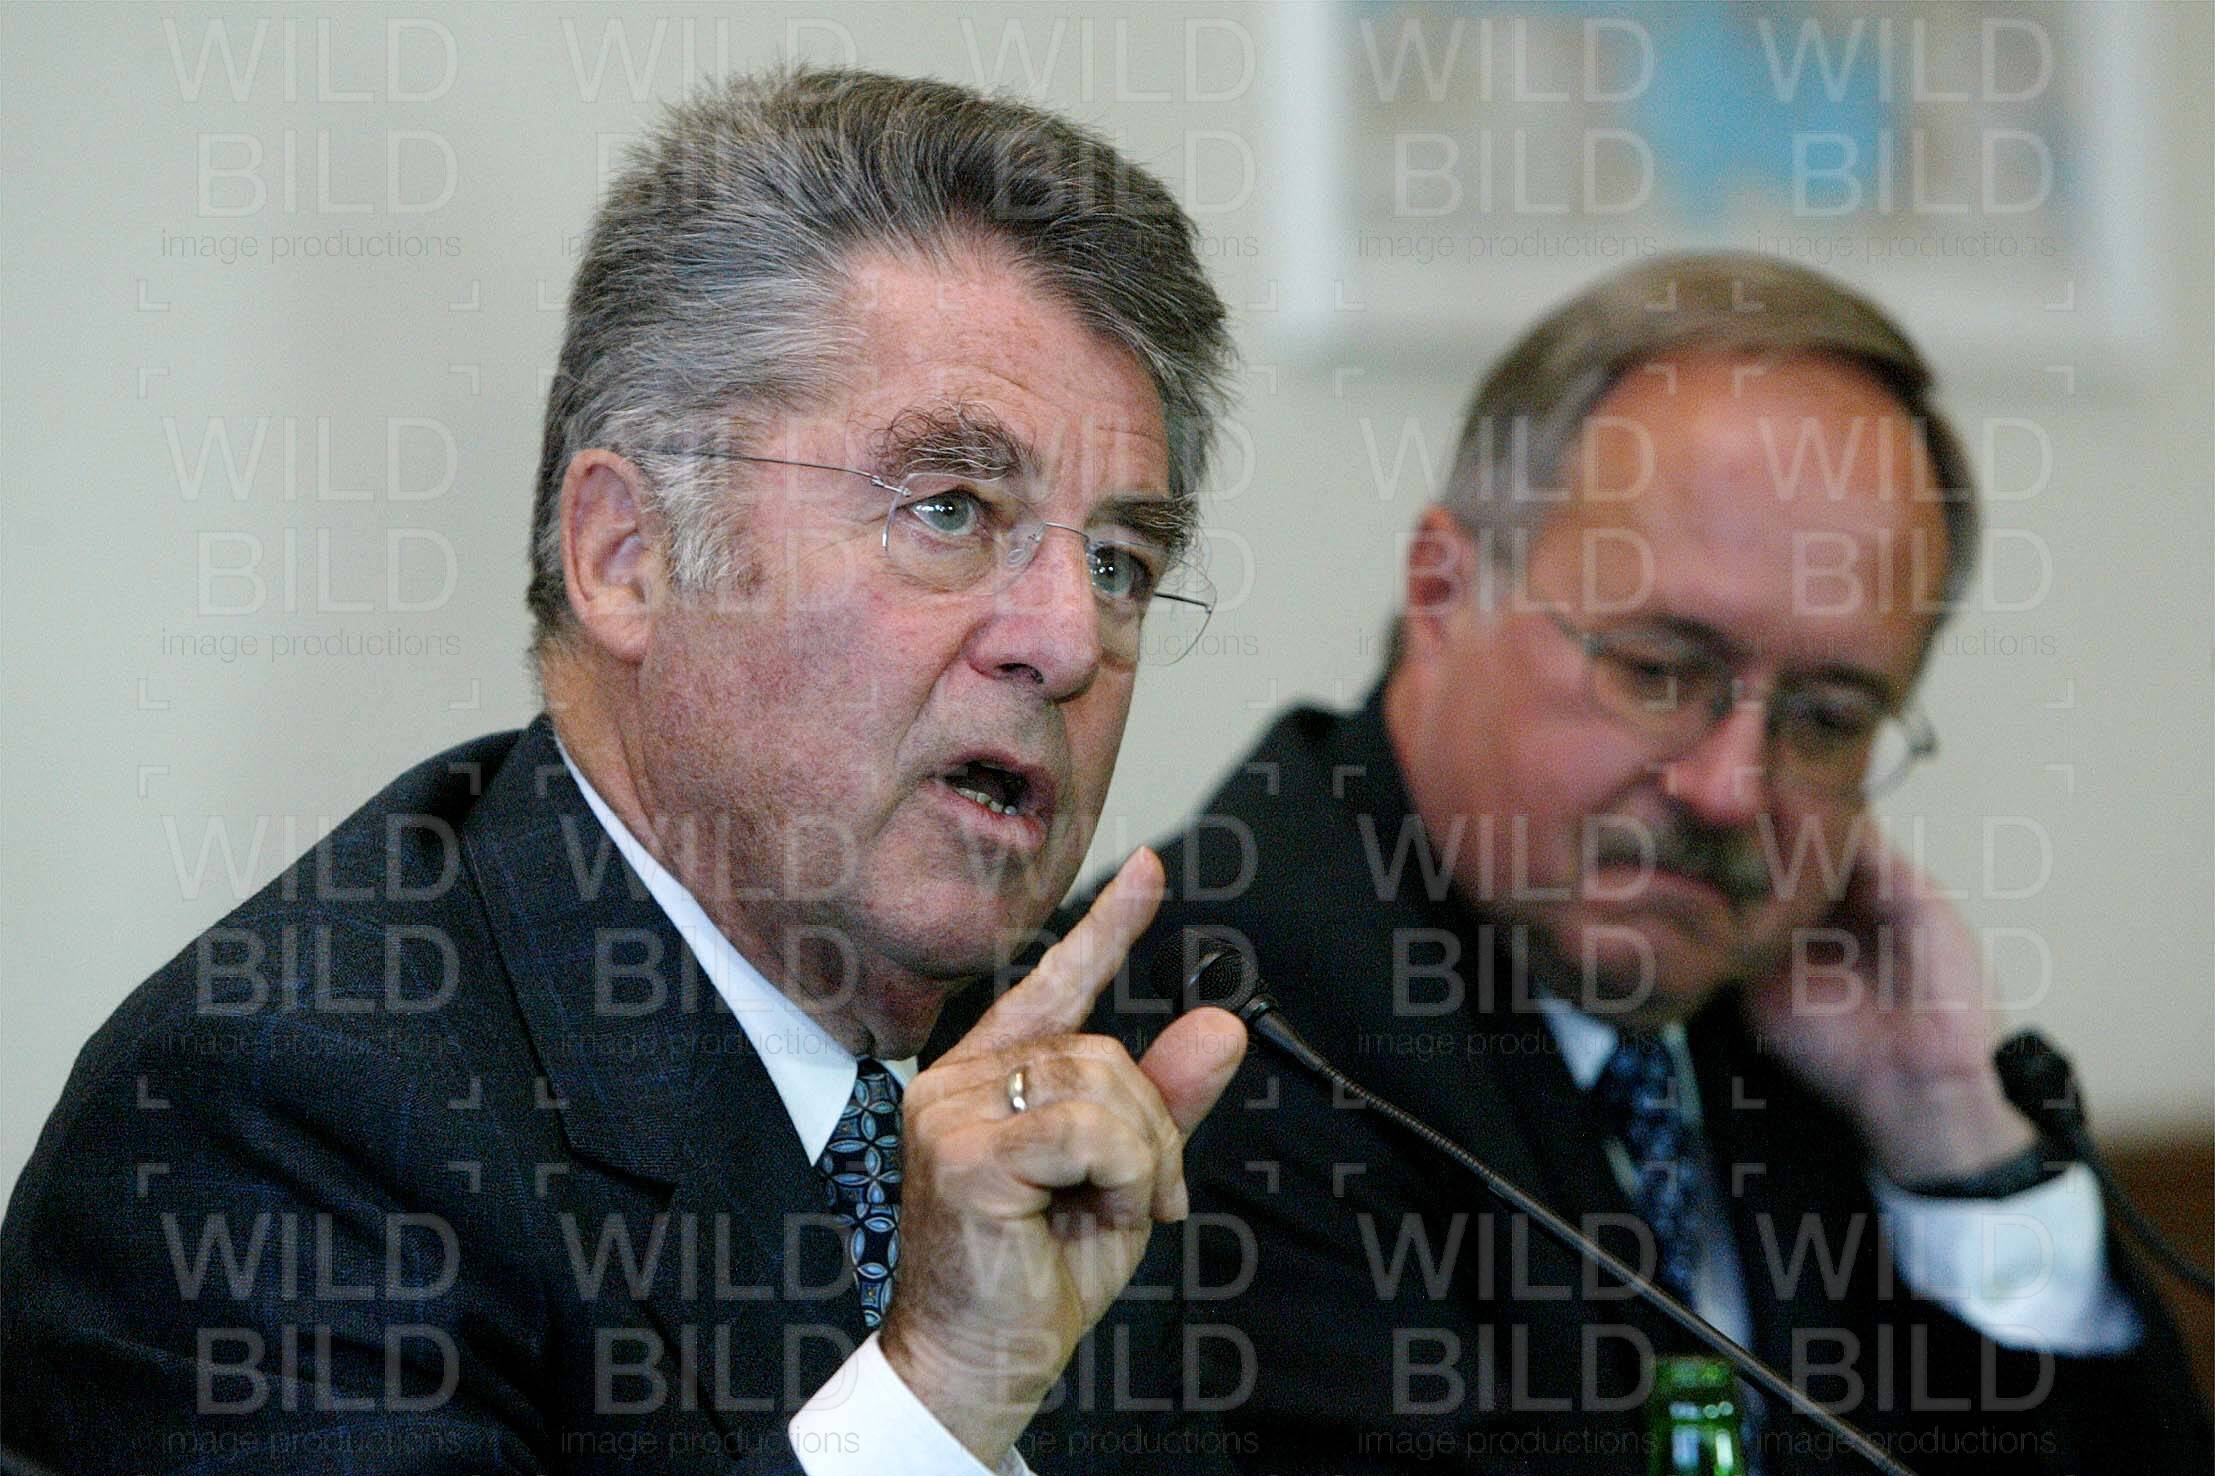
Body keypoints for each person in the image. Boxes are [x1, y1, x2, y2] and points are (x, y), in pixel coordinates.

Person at [1, 70, 1253, 1476]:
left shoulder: (1081, 1082)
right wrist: (939, 1392)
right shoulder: (282, 1123)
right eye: (949, 509)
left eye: (1118, 562)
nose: (1068, 638)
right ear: (625, 555)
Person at [1091, 252, 2212, 1473]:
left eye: (1827, 720)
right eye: (1660, 671)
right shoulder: (1198, 1032)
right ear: (1441, 593)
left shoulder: (1805, 1045)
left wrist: (1948, 1137)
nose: (1730, 790)